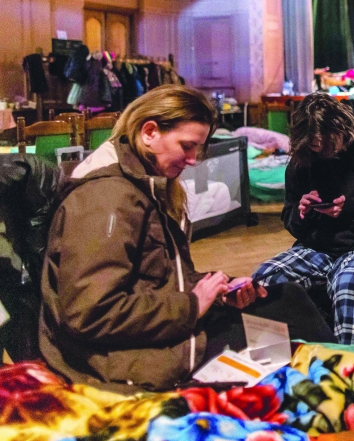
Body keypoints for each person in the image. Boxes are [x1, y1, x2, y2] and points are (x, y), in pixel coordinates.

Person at [39, 86, 336, 393]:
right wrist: (194, 304)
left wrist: (219, 291)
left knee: (286, 299)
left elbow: (159, 277)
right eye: (187, 146)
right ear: (150, 132)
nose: (193, 160)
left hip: (157, 332)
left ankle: (334, 381)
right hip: (121, 360)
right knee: (288, 333)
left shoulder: (143, 184)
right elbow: (90, 313)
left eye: (199, 149)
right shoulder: (106, 200)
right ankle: (337, 389)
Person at [252, 92, 354, 358]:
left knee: (346, 284)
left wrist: (351, 210)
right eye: (314, 145)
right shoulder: (302, 158)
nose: (321, 150)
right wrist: (302, 212)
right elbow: (292, 221)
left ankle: (349, 370)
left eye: (327, 143)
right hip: (317, 245)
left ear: (342, 129)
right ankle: (280, 360)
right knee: (264, 278)